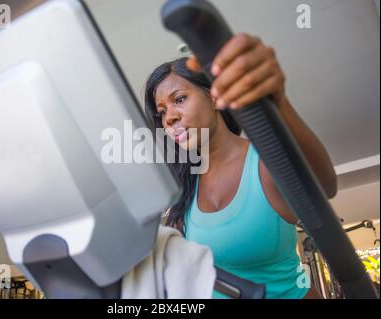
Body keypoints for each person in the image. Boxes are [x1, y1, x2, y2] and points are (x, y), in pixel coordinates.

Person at [144, 33, 337, 299]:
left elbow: (324, 186)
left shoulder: (263, 161)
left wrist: (277, 101)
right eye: (162, 111)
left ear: (213, 96)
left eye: (179, 99)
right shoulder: (184, 183)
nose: (169, 118)